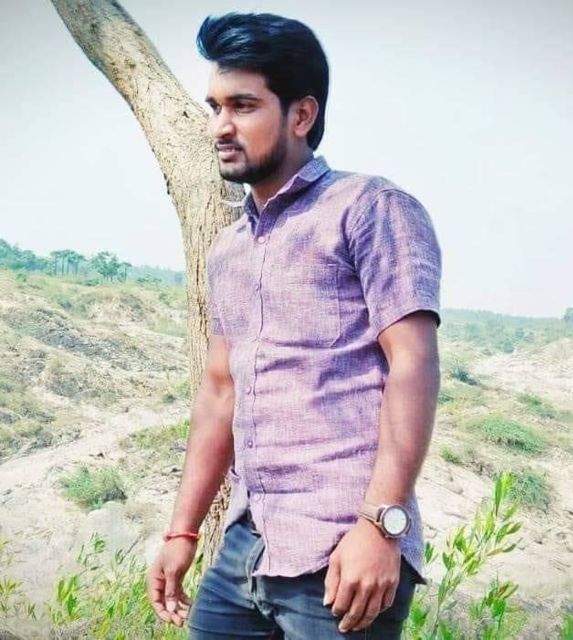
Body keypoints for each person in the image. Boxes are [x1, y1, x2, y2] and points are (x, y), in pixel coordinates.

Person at [147, 12, 442, 639]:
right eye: (215, 107)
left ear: (301, 115)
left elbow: (412, 362)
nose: (220, 126)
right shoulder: (228, 250)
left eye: (243, 106)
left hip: (343, 552)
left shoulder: (369, 208)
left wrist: (380, 526)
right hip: (246, 546)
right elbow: (220, 391)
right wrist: (182, 530)